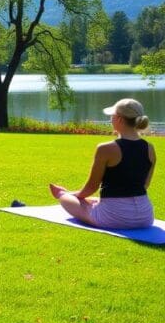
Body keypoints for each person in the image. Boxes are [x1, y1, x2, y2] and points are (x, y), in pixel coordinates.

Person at [49, 98, 156, 229]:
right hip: (145, 216)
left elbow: (91, 188)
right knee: (92, 200)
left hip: (115, 217)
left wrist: (69, 194)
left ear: (120, 119)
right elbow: (144, 186)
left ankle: (61, 193)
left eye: (112, 116)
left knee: (65, 199)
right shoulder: (150, 148)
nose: (110, 119)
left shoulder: (106, 148)